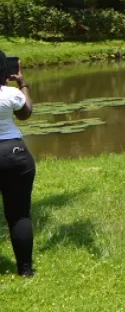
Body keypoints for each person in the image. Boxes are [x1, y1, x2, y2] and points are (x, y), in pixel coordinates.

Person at [0, 54, 34, 277]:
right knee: (19, 215)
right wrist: (23, 84)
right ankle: (25, 271)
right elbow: (26, 113)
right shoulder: (11, 94)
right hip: (14, 154)